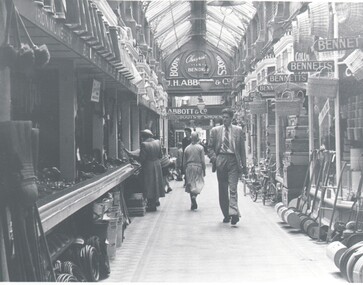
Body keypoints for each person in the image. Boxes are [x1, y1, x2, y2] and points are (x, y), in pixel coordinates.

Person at [208, 108, 247, 225]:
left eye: (227, 117)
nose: (224, 119)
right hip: (221, 160)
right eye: (223, 117)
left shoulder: (238, 131)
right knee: (223, 189)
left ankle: (234, 213)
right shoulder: (215, 131)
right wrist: (215, 158)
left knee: (233, 188)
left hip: (233, 160)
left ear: (231, 118)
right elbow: (209, 148)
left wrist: (244, 165)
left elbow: (242, 150)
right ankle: (226, 214)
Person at [125, 129, 164, 212]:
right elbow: (161, 155)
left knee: (149, 184)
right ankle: (155, 201)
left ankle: (151, 204)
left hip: (148, 166)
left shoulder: (144, 144)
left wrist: (133, 156)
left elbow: (142, 158)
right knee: (156, 183)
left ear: (144, 137)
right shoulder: (158, 142)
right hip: (157, 164)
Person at [183, 132, 206, 210]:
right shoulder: (200, 148)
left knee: (190, 184)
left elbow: (184, 161)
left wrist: (184, 170)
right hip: (198, 167)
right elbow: (203, 160)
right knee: (198, 183)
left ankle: (192, 202)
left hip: (189, 167)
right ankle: (194, 196)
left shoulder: (186, 148)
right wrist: (204, 169)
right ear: (197, 138)